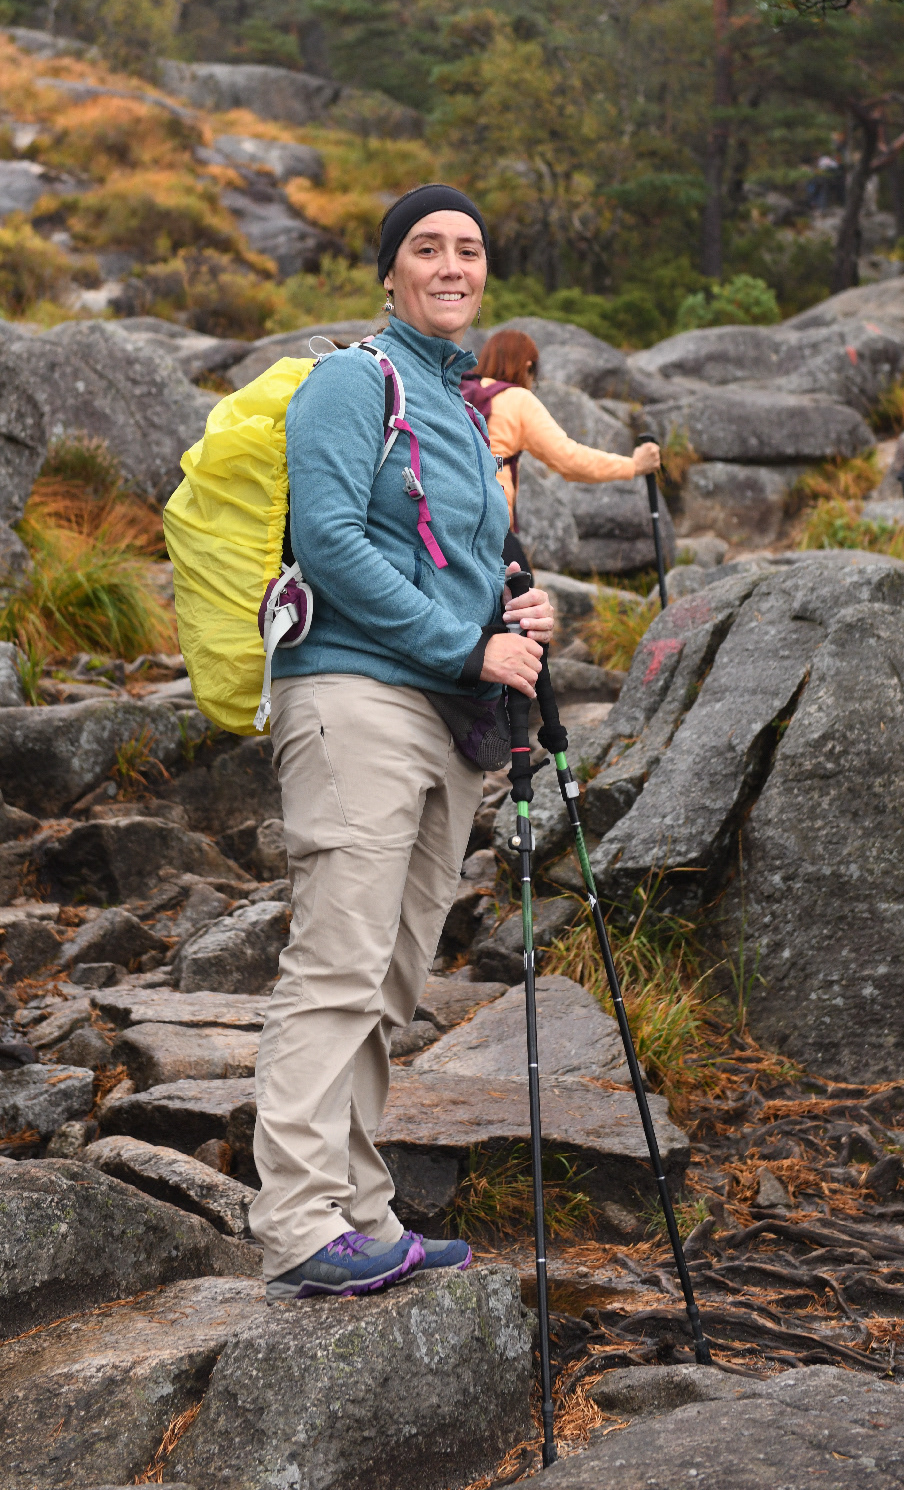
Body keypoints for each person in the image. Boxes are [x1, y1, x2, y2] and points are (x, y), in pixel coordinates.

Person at [251, 183, 555, 1302]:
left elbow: (474, 565)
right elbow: (329, 540)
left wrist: (519, 613)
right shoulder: (349, 381)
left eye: (468, 248)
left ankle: (359, 1206)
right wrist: (463, 643)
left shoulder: (469, 412)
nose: (449, 263)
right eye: (425, 247)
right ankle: (294, 1221)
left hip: (448, 718)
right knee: (336, 963)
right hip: (355, 697)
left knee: (390, 978)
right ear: (388, 272)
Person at [461, 328, 660, 538]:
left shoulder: (461, 391)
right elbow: (569, 460)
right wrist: (634, 466)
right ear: (528, 366)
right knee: (519, 571)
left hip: (448, 515)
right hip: (487, 522)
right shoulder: (517, 399)